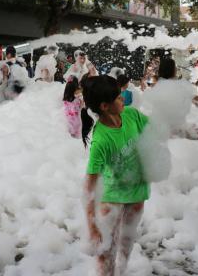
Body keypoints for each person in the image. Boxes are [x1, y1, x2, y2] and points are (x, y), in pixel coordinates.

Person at [82, 75, 149, 275]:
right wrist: (92, 226)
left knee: (126, 245)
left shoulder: (131, 115)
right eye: (119, 98)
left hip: (136, 193)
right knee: (105, 254)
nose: (123, 100)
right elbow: (89, 187)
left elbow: (156, 129)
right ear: (104, 106)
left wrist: (182, 130)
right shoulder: (100, 141)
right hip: (112, 198)